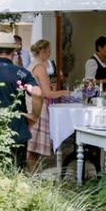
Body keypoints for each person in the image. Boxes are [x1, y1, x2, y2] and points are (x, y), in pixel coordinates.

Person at [0, 31, 39, 168]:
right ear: (14, 51)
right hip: (16, 128)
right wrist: (34, 116)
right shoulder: (21, 73)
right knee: (17, 172)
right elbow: (38, 93)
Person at [25, 39, 71, 172]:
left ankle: (33, 174)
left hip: (31, 104)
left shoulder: (33, 64)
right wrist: (64, 92)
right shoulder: (39, 67)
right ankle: (34, 175)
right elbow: (47, 93)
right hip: (37, 107)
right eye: (49, 50)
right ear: (43, 51)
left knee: (32, 146)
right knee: (33, 146)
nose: (50, 53)